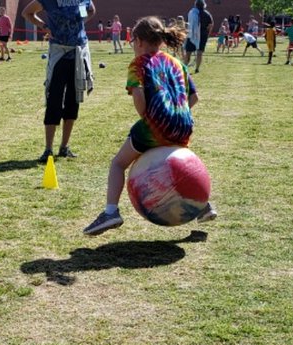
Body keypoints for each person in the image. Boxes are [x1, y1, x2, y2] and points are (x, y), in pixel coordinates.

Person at [83, 16, 215, 235]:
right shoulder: (178, 63)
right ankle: (203, 206)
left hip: (156, 125)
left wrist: (149, 117)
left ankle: (110, 212)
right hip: (184, 124)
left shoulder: (139, 64)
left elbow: (138, 96)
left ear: (139, 41)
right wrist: (177, 114)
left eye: (132, 40)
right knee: (182, 166)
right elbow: (195, 97)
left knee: (118, 163)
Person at [22, 0, 94, 162]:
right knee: (54, 99)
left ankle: (64, 147)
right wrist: (44, 26)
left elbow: (91, 10)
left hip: (78, 51)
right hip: (58, 52)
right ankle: (48, 149)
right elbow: (27, 12)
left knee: (73, 100)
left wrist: (78, 24)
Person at [186, 0, 211, 71]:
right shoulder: (207, 14)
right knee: (199, 52)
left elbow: (188, 23)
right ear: (204, 5)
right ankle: (197, 68)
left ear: (195, 5)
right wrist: (207, 34)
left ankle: (184, 67)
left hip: (191, 34)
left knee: (188, 52)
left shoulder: (191, 13)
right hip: (202, 35)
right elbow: (210, 25)